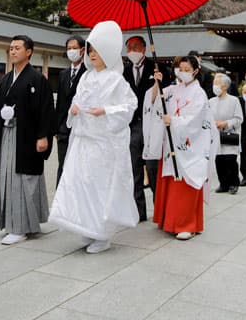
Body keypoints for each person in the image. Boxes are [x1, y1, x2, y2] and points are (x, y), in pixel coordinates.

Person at [49, 21, 139, 253]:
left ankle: (103, 234)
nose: (92, 55)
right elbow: (76, 101)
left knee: (101, 186)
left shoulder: (116, 79)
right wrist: (74, 110)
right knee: (83, 183)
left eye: (96, 51)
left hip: (104, 144)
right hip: (83, 141)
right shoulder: (86, 77)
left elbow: (130, 105)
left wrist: (106, 111)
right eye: (90, 51)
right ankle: (88, 228)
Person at [0, 35, 55, 245]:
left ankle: (21, 227)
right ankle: (15, 223)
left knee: (25, 178)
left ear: (29, 52)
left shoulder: (37, 78)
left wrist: (43, 136)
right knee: (9, 176)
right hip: (8, 134)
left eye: (17, 48)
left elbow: (46, 109)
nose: (12, 51)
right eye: (11, 48)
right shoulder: (6, 79)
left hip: (28, 136)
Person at [144, 55, 214, 240]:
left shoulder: (199, 94)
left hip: (189, 147)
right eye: (179, 69)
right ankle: (168, 219)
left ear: (195, 71)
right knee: (170, 181)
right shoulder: (173, 89)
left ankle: (187, 224)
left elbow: (196, 121)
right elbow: (153, 101)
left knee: (185, 181)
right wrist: (157, 84)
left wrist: (173, 121)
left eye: (186, 69)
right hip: (171, 143)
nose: (181, 72)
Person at [122, 35, 163, 221]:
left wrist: (158, 81)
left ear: (144, 49)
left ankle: (160, 209)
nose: (132, 51)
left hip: (152, 124)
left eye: (136, 47)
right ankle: (139, 211)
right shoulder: (124, 71)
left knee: (153, 169)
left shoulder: (156, 67)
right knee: (135, 169)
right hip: (133, 124)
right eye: (129, 48)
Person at [55, 35, 87, 186]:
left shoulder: (89, 73)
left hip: (81, 128)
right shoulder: (63, 74)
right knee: (62, 166)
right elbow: (60, 103)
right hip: (63, 129)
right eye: (68, 49)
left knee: (78, 167)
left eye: (74, 48)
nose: (71, 51)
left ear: (82, 50)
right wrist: (57, 128)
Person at [210, 73, 243, 194]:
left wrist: (225, 123)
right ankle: (223, 184)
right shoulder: (211, 101)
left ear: (225, 86)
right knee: (219, 161)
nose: (214, 86)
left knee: (230, 160)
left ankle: (234, 183)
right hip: (216, 135)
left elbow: (239, 119)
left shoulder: (234, 100)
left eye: (217, 84)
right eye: (214, 84)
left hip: (230, 134)